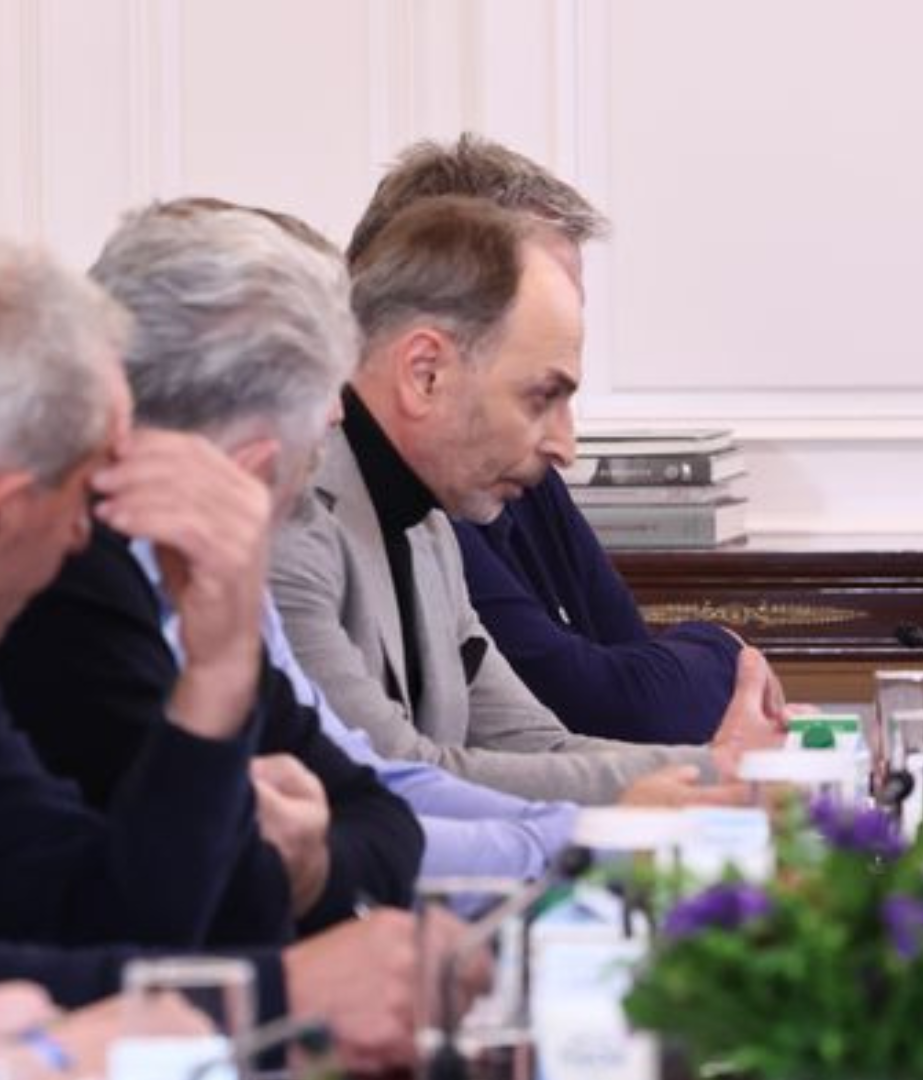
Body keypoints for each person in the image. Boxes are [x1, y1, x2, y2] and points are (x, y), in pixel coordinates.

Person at [0, 238, 452, 1072]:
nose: (85, 531)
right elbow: (120, 936)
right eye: (85, 485)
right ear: (12, 506)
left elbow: (97, 911)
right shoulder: (74, 601)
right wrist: (290, 991)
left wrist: (217, 677)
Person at [53, 199, 577, 881]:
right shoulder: (76, 591)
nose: (337, 413)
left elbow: (361, 787)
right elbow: (210, 880)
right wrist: (564, 844)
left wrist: (564, 836)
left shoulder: (236, 563)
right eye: (328, 385)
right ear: (252, 449)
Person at [271, 194, 777, 804]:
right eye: (542, 398)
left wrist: (728, 768)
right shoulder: (287, 518)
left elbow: (534, 743)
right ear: (425, 373)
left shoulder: (430, 523)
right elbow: (395, 776)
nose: (565, 446)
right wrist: (722, 772)